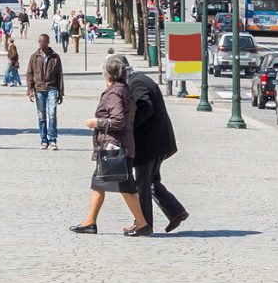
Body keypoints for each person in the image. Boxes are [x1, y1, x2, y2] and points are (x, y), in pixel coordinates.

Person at [71, 55, 149, 236]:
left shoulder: (115, 92)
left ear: (109, 74)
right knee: (100, 183)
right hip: (119, 145)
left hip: (114, 147)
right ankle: (90, 221)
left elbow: (118, 120)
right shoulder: (123, 89)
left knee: (124, 187)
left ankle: (142, 224)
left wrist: (95, 122)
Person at [127, 63, 188, 234]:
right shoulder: (139, 79)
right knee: (150, 181)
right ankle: (176, 211)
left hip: (150, 144)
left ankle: (143, 225)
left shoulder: (136, 83)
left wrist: (131, 126)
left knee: (141, 184)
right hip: (158, 142)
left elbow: (145, 107)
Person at [26, 33, 63, 150]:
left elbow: (59, 75)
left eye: (43, 41)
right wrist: (30, 89)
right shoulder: (34, 57)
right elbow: (29, 74)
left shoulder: (55, 57)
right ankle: (43, 139)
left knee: (52, 114)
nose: (41, 43)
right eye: (39, 41)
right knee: (41, 116)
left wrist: (61, 92)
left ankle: (52, 140)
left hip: (52, 88)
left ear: (48, 42)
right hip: (39, 89)